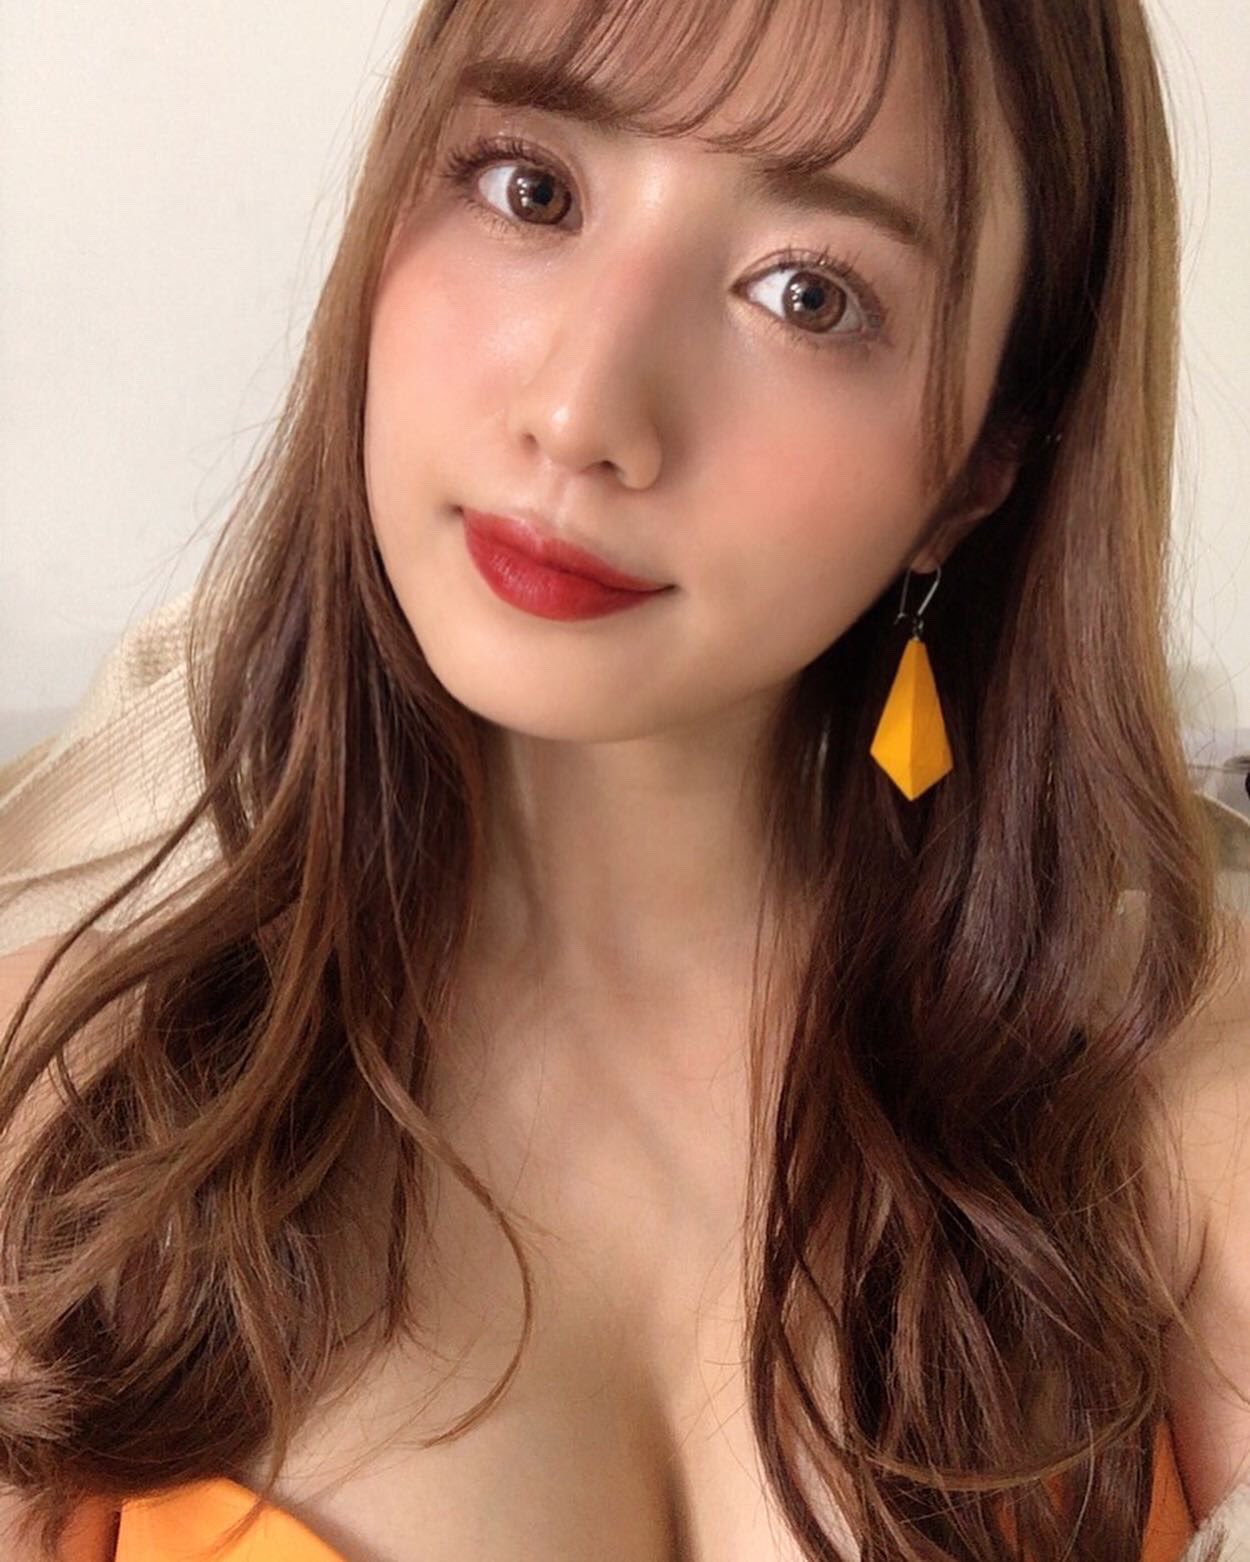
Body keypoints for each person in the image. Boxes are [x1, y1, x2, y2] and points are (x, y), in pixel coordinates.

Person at [1, 0, 1248, 1557]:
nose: (583, 411)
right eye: (530, 188)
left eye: (806, 293)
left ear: (984, 462)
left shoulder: (1167, 1090)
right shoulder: (60, 1112)